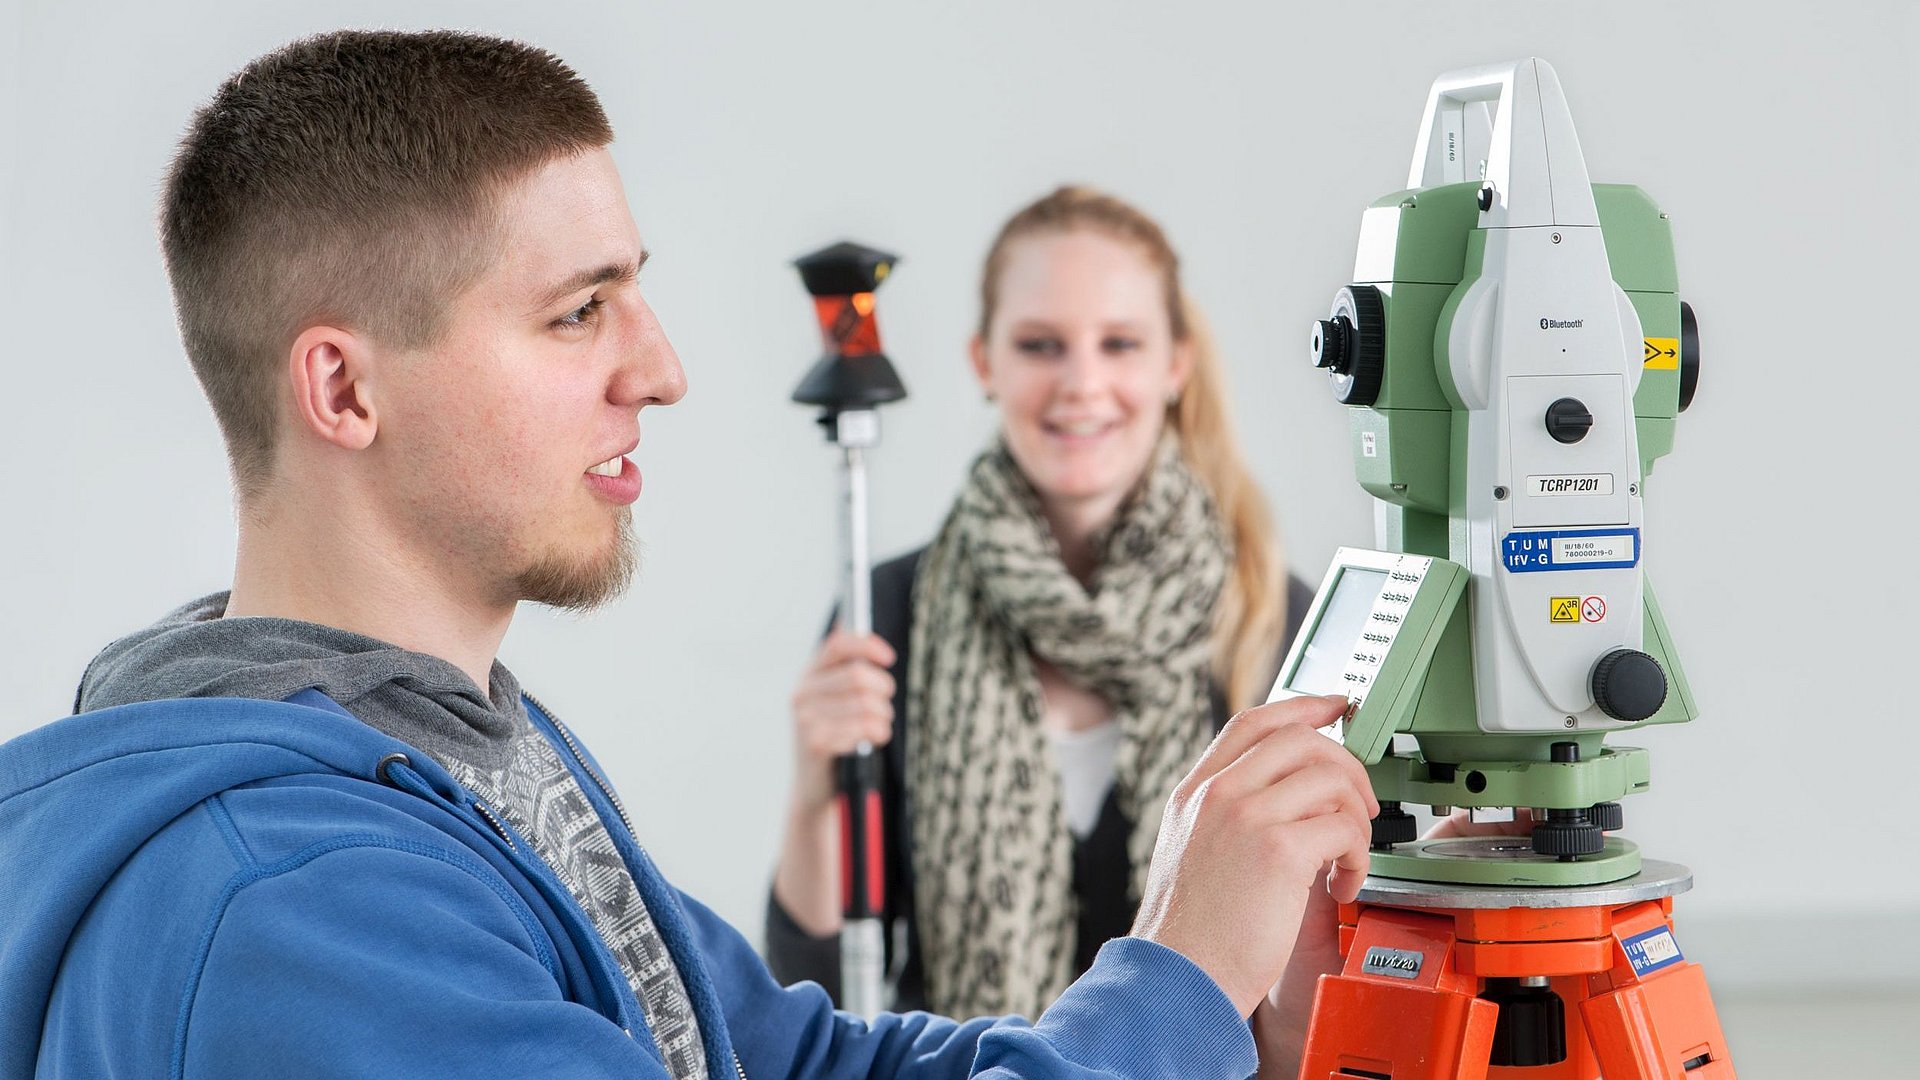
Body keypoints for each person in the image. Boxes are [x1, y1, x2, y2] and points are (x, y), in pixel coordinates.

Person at [0, 30, 1376, 1080]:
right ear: (346, 393)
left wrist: (1231, 1004)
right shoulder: (296, 905)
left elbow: (805, 1065)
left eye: (636, 293)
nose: (661, 368)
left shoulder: (464, 757)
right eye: (577, 313)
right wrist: (1177, 974)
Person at [767, 186, 1316, 1020]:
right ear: (985, 363)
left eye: (1119, 343)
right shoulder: (886, 612)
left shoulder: (1274, 624)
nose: (1082, 383)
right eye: (1041, 345)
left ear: (1176, 364)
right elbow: (818, 992)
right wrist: (816, 787)